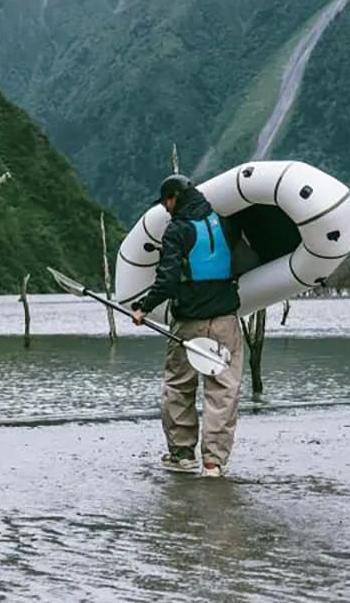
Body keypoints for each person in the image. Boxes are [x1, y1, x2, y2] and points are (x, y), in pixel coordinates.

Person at [131, 173, 245, 477]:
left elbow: (167, 280)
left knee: (179, 387)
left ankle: (182, 455)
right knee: (223, 390)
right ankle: (214, 463)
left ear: (173, 199)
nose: (166, 209)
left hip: (188, 322)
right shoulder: (226, 222)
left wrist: (144, 308)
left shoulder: (177, 230)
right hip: (225, 321)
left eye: (166, 203)